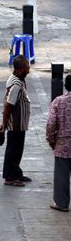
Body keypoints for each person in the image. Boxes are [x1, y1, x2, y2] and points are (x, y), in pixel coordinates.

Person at [0, 55, 31, 187]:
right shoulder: (16, 84)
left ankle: (16, 172)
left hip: (20, 123)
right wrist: (4, 123)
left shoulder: (18, 79)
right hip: (15, 123)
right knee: (13, 150)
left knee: (18, 149)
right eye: (26, 68)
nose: (28, 70)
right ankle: (10, 176)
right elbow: (8, 105)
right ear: (19, 70)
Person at [46, 75, 71, 211]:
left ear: (65, 86)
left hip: (63, 143)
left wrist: (51, 140)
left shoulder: (58, 102)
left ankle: (62, 203)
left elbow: (51, 124)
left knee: (62, 175)